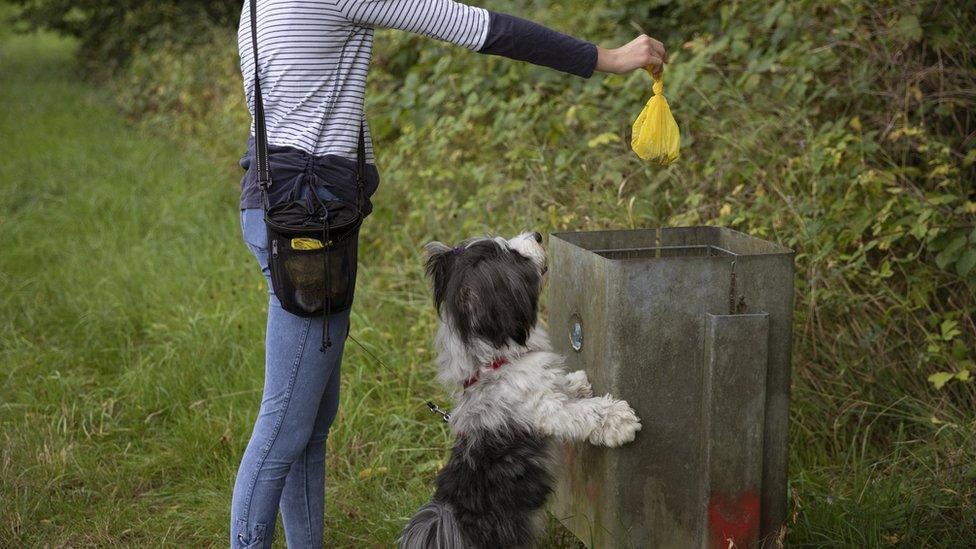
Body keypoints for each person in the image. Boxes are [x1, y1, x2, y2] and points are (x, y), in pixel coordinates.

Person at [231, 1, 666, 547]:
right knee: (282, 432)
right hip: (307, 222)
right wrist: (606, 57)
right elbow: (479, 28)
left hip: (279, 204)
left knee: (308, 427)